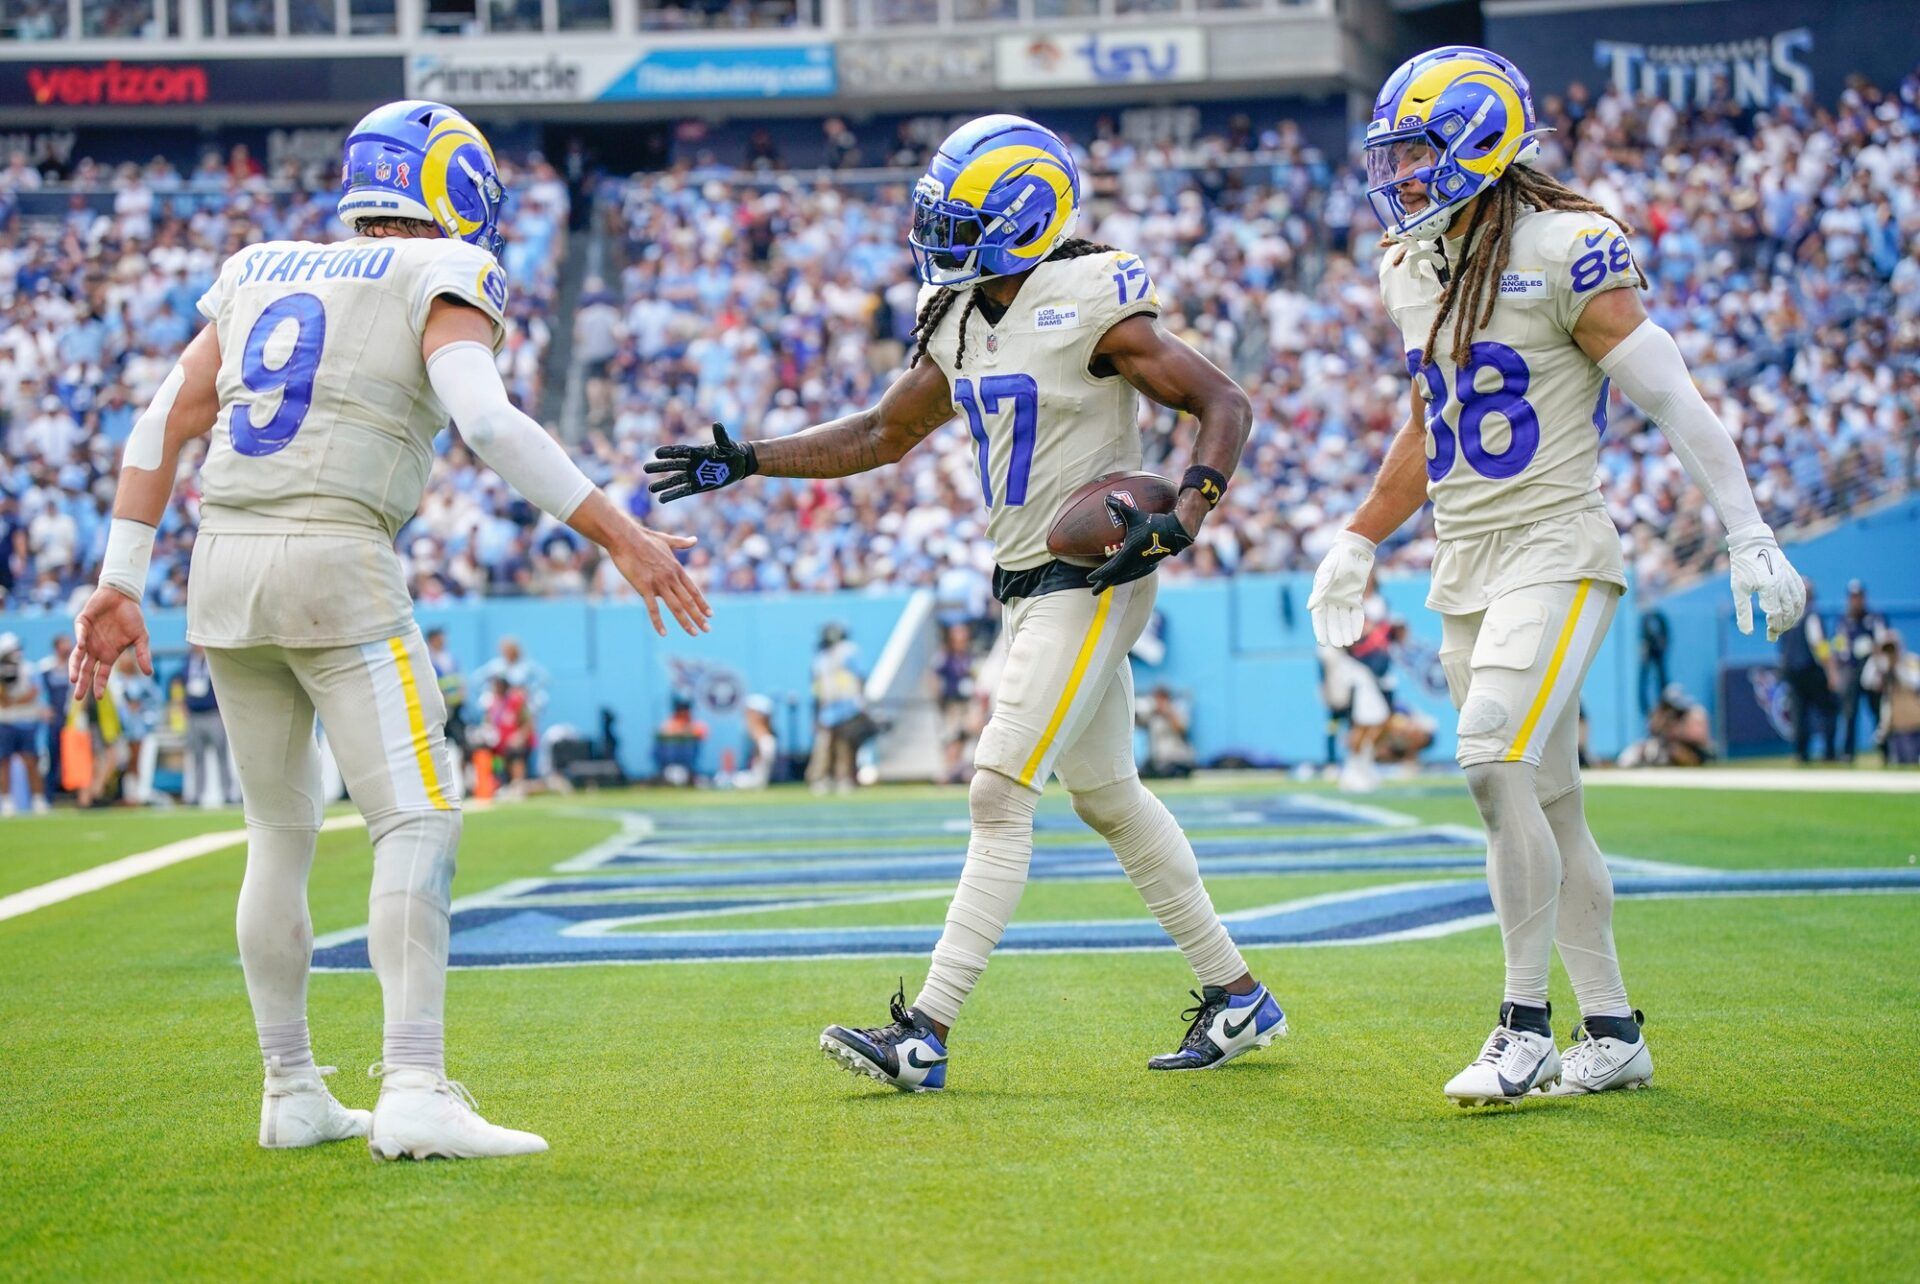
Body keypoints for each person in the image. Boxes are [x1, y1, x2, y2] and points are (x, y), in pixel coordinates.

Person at [67, 100, 710, 1161]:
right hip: (333, 555)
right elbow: (488, 418)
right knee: (417, 819)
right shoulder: (437, 274)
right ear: (451, 187)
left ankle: (291, 1092)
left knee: (278, 834)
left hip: (218, 560)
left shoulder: (262, 264)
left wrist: (117, 576)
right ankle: (413, 1083)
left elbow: (160, 421)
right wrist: (616, 532)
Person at [649, 114, 1286, 1089]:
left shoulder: (1090, 297)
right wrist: (751, 460)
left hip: (1094, 576)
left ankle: (926, 1031)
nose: (939, 234)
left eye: (962, 217)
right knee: (1110, 798)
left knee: (998, 792)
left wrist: (1190, 512)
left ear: (1025, 216)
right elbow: (879, 433)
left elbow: (1223, 403)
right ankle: (1238, 995)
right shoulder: (956, 315)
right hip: (1025, 582)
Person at [1309, 47, 1804, 1105]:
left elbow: (1673, 397)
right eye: (1390, 158)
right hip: (1466, 560)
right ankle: (1614, 1030)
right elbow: (1431, 426)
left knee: (1489, 759)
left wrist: (1748, 529)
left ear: (1477, 147)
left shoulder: (1567, 246)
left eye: (1414, 155)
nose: (1395, 179)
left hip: (1557, 544)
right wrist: (1359, 538)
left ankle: (1523, 1026)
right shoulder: (1414, 264)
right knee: (1551, 801)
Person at [1779, 579, 1840, 763]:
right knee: (1827, 710)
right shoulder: (1812, 615)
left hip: (1793, 671)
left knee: (1799, 713)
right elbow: (1819, 644)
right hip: (1811, 670)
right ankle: (1829, 753)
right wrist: (1831, 671)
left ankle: (1801, 753)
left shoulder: (1787, 616)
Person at [1831, 580, 1888, 762]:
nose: (1856, 601)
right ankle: (1847, 753)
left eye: (1859, 597)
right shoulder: (1843, 620)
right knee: (1849, 713)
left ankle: (1886, 751)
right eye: (1853, 597)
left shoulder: (1875, 618)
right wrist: (1837, 671)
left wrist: (1881, 670)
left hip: (1871, 668)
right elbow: (1837, 646)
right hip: (1851, 669)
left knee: (1878, 711)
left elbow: (1884, 643)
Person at [807, 622, 865, 795]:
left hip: (846, 705)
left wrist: (860, 699)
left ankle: (843, 778)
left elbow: (860, 676)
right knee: (823, 746)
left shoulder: (849, 651)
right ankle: (819, 779)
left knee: (844, 747)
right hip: (828, 705)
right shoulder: (821, 658)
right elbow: (817, 685)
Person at [0, 632, 49, 816]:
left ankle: (38, 800)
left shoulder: (29, 669)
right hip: (5, 722)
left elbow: (34, 693)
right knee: (4, 763)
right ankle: (6, 801)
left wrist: (12, 701)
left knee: (31, 761)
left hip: (27, 721)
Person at [181, 644, 235, 808]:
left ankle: (228, 793)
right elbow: (178, 682)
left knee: (222, 755)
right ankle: (197, 794)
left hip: (213, 714)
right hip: (194, 715)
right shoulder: (188, 662)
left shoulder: (214, 662)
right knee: (197, 757)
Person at [1863, 630, 1920, 765]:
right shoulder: (1882, 665)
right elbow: (1866, 681)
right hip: (1896, 724)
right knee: (1901, 762)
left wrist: (1897, 665)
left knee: (1912, 763)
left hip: (1914, 720)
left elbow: (1915, 681)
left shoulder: (1910, 660)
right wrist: (1876, 658)